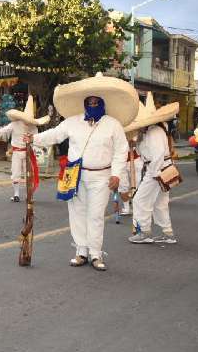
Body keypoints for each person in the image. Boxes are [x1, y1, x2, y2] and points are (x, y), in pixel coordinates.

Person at [23, 73, 138, 271]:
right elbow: (55, 135)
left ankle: (96, 254)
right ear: (84, 103)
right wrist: (34, 139)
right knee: (76, 213)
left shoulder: (113, 124)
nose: (92, 104)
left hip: (102, 177)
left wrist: (117, 174)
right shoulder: (72, 122)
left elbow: (121, 151)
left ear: (102, 103)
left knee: (95, 215)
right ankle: (81, 251)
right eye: (89, 101)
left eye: (96, 102)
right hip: (75, 175)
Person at [125, 93, 179, 244]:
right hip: (161, 168)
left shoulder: (154, 131)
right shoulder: (150, 131)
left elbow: (158, 154)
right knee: (159, 203)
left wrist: (154, 173)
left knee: (139, 200)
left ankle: (145, 232)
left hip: (158, 170)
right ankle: (168, 234)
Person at [0, 95, 49, 202]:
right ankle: (16, 195)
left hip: (28, 153)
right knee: (15, 173)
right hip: (16, 152)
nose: (27, 122)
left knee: (29, 174)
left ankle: (29, 195)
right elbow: (2, 131)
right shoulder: (14, 124)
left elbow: (37, 139)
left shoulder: (33, 127)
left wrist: (39, 146)